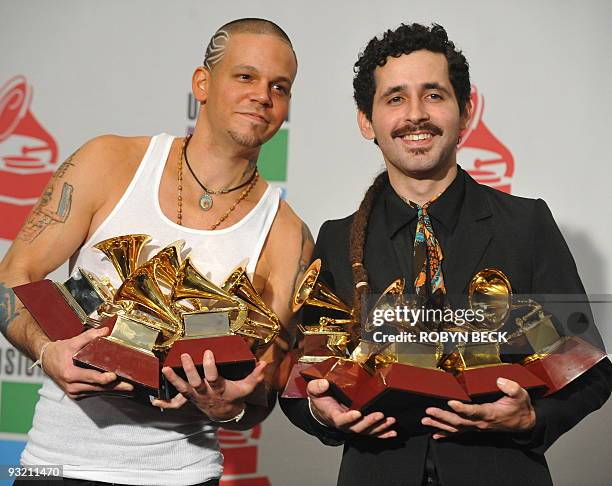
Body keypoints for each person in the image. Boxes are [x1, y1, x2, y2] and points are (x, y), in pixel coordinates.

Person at [280, 23, 612, 486]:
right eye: (395, 98)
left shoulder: (525, 224)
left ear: (466, 110)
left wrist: (530, 419)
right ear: (365, 119)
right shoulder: (336, 240)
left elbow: (589, 368)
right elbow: (302, 376)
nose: (416, 115)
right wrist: (321, 410)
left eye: (433, 95)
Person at [0, 18, 313, 486]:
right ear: (202, 83)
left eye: (279, 86)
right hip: (59, 465)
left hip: (184, 475)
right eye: (245, 76)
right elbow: (13, 275)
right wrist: (46, 350)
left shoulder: (288, 235)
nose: (262, 95)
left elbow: (261, 392)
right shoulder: (109, 163)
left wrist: (228, 406)